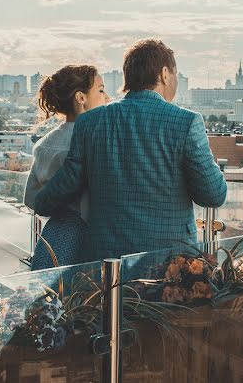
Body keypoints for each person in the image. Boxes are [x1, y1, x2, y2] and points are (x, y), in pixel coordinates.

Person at [34, 39, 227, 261]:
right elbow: (214, 194)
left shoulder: (90, 122)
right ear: (164, 74)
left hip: (105, 264)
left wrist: (42, 202)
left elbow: (56, 193)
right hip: (169, 264)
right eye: (175, 75)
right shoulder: (186, 122)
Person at [24, 65, 110, 270]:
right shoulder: (94, 141)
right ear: (81, 98)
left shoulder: (44, 143)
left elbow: (31, 198)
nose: (107, 97)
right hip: (84, 238)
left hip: (53, 235)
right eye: (100, 90)